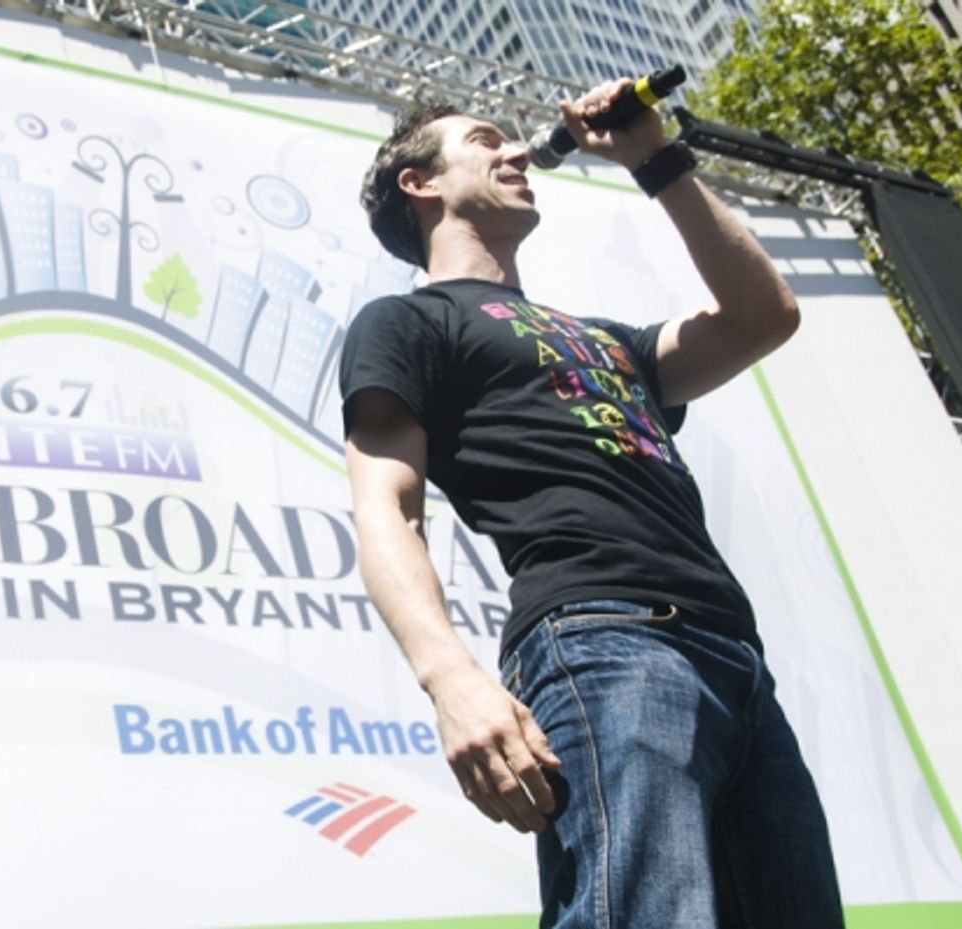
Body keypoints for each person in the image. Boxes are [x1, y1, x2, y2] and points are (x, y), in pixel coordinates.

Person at [339, 80, 846, 928]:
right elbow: (386, 506)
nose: (514, 152)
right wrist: (451, 679)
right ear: (419, 186)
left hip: (736, 657)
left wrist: (655, 157)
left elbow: (764, 316)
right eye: (483, 139)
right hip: (603, 644)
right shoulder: (409, 322)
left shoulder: (611, 341)